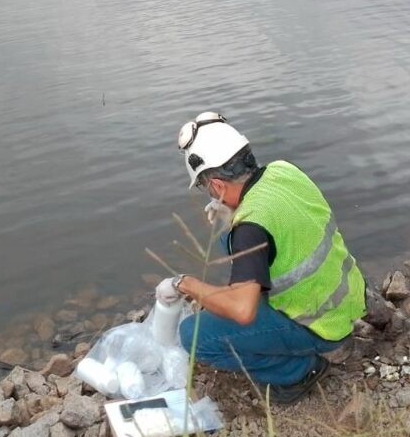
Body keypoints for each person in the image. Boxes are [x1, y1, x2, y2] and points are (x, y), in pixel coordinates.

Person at [156, 111, 367, 404]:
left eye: (207, 187)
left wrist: (185, 284)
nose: (210, 195)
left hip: (320, 325)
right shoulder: (284, 170)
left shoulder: (251, 228)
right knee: (225, 239)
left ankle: (298, 371)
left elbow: (243, 312)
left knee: (193, 335)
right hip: (347, 297)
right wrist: (232, 219)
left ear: (217, 185)